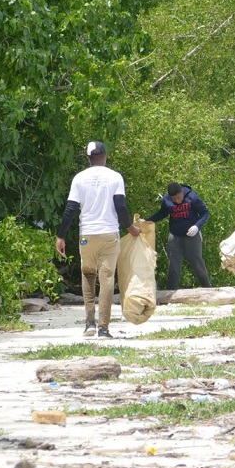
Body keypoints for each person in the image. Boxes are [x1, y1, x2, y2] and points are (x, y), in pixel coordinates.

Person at [56, 141, 140, 338]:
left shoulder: (79, 178)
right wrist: (130, 228)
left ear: (87, 158)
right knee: (107, 278)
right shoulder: (115, 177)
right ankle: (103, 328)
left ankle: (89, 323)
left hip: (87, 234)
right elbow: (120, 206)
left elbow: (70, 209)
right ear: (106, 156)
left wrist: (60, 235)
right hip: (109, 234)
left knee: (88, 275)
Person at [147, 182, 211, 290]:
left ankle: (208, 289)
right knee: (173, 264)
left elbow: (205, 213)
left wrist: (197, 226)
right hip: (175, 235)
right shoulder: (167, 200)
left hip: (192, 235)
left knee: (197, 262)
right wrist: (147, 221)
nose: (177, 200)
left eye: (178, 197)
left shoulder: (192, 197)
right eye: (174, 199)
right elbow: (162, 213)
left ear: (182, 191)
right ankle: (171, 292)